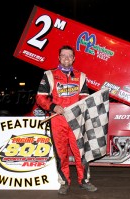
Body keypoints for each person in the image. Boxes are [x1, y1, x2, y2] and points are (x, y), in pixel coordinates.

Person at [35, 45, 97, 194]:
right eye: (64, 55)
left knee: (81, 152)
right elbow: (40, 97)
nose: (67, 58)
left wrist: (80, 106)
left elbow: (84, 97)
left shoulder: (81, 76)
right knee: (61, 153)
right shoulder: (49, 74)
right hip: (58, 120)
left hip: (76, 120)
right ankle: (64, 182)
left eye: (69, 55)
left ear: (74, 58)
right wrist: (53, 107)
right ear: (59, 57)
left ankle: (84, 181)